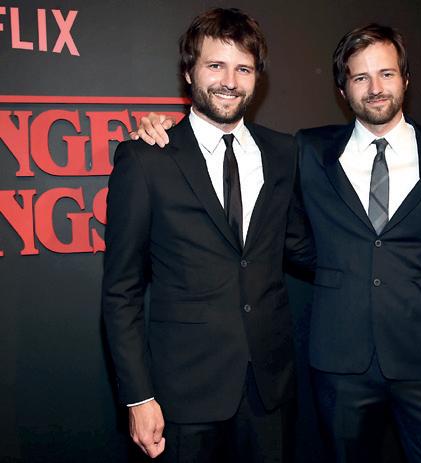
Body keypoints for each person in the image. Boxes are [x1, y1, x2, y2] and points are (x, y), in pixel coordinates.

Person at [134, 23, 421, 463]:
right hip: (340, 364)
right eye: (360, 77)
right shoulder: (306, 151)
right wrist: (156, 129)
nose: (375, 89)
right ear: (343, 89)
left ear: (406, 79)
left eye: (386, 74)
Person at [102, 8, 314, 462]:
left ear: (257, 78)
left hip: (269, 391)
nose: (230, 81)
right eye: (216, 65)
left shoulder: (283, 152)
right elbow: (121, 291)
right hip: (183, 395)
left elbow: (302, 247)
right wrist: (138, 397)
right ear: (188, 72)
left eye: (244, 68)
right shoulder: (146, 159)